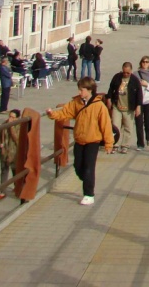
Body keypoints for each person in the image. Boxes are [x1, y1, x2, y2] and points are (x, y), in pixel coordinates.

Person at [45, 77, 114, 205]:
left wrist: (109, 144)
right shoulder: (76, 102)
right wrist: (52, 114)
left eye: (81, 89)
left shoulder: (99, 106)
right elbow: (65, 113)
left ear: (89, 90)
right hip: (79, 139)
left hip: (93, 140)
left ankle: (89, 194)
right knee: (78, 166)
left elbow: (106, 125)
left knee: (89, 167)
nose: (79, 92)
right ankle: (87, 180)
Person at [107, 62, 143, 153]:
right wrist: (109, 99)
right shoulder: (117, 77)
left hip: (129, 108)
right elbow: (111, 89)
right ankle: (115, 144)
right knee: (115, 126)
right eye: (124, 72)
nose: (126, 74)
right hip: (117, 106)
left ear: (131, 71)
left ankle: (125, 145)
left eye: (128, 73)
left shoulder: (135, 80)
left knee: (128, 127)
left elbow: (139, 94)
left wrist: (138, 107)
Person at [0, 109, 21, 199]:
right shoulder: (4, 124)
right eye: (9, 116)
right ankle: (3, 191)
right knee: (4, 170)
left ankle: (17, 187)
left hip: (14, 152)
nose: (10, 119)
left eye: (13, 117)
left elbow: (16, 139)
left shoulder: (19, 126)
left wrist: (11, 127)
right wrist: (1, 145)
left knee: (15, 170)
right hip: (5, 150)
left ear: (17, 118)